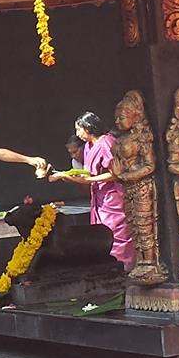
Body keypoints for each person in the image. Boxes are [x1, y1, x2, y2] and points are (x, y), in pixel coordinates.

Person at [48, 111, 135, 266]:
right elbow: (86, 173)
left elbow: (116, 173)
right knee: (101, 233)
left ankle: (124, 266)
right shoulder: (88, 146)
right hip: (99, 197)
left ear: (88, 128)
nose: (78, 134)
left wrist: (90, 180)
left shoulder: (107, 142)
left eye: (79, 129)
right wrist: (67, 176)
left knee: (116, 232)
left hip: (112, 195)